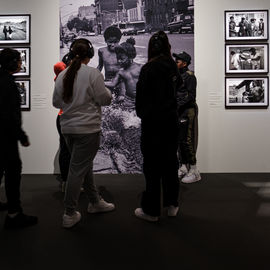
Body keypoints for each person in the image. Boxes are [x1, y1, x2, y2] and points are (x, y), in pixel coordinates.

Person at [53, 38, 115, 228]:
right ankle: (69, 213)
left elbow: (56, 103)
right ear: (89, 55)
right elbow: (104, 99)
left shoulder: (63, 75)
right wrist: (108, 93)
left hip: (68, 129)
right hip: (87, 129)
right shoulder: (93, 74)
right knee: (77, 170)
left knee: (82, 166)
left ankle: (95, 202)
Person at [135, 31, 182, 222]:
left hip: (153, 125)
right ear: (167, 47)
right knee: (171, 163)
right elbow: (178, 91)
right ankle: (172, 204)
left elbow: (140, 102)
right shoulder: (173, 67)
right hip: (171, 122)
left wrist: (144, 114)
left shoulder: (148, 69)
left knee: (152, 167)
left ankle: (152, 211)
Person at [0, 48, 38, 229]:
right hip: (5, 136)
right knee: (13, 171)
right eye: (19, 61)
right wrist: (22, 136)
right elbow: (10, 115)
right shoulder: (7, 83)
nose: (21, 64)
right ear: (12, 63)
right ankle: (14, 214)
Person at [173, 51, 201, 184]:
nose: (175, 62)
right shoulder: (177, 75)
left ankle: (194, 170)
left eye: (177, 61)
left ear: (184, 63)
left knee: (187, 141)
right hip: (178, 111)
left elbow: (191, 96)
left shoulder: (190, 77)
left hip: (187, 111)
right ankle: (183, 166)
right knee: (179, 140)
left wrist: (176, 105)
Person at [54, 53, 72, 192]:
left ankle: (67, 182)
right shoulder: (67, 77)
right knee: (70, 151)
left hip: (62, 116)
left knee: (65, 150)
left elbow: (57, 66)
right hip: (69, 117)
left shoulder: (60, 76)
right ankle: (69, 181)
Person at [105, 37, 141, 104]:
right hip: (129, 101)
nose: (119, 61)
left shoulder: (141, 68)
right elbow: (112, 83)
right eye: (117, 58)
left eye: (121, 59)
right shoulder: (121, 72)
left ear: (130, 56)